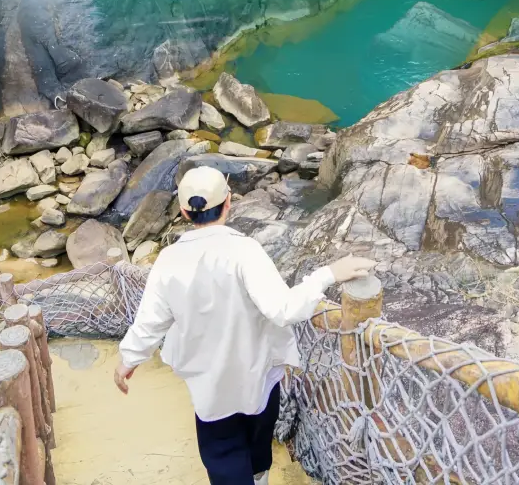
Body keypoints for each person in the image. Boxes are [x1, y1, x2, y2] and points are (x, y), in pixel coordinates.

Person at [114, 164, 375, 485]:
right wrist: (329, 273)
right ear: (229, 203)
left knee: (223, 453)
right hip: (259, 379)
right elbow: (283, 309)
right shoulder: (245, 251)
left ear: (184, 212)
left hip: (211, 388)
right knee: (257, 446)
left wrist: (128, 360)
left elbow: (150, 322)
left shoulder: (169, 260)